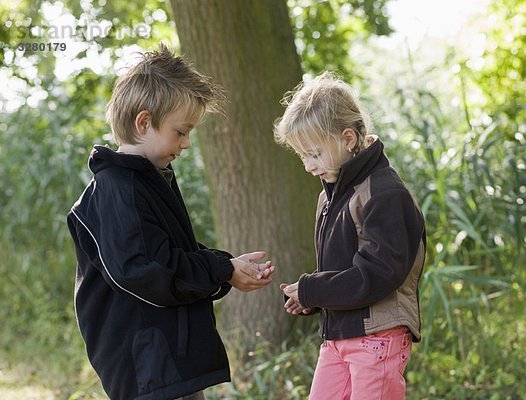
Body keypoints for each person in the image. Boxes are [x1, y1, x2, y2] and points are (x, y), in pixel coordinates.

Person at [66, 44, 275, 400]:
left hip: (165, 361)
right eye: (181, 132)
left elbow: (173, 254)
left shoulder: (150, 180)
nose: (188, 143)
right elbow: (149, 271)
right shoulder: (119, 189)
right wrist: (221, 269)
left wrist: (228, 268)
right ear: (144, 122)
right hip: (146, 364)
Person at [274, 72, 426, 400]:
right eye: (302, 156)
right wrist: (311, 298)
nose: (308, 166)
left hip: (377, 337)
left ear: (348, 138)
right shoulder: (329, 197)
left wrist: (314, 288)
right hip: (338, 339)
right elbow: (342, 271)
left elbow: (376, 274)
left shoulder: (383, 192)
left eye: (314, 154)